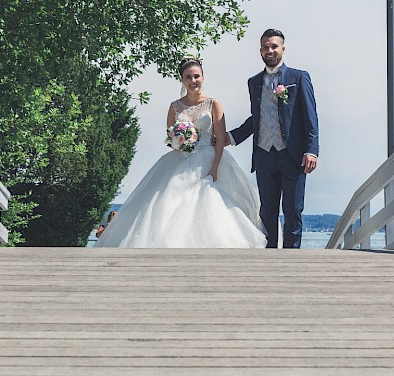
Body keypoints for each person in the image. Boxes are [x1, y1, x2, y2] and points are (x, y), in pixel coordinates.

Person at [94, 58, 266, 248]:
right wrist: (180, 141)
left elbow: (219, 140)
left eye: (196, 76)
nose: (193, 80)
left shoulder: (213, 104)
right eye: (188, 77)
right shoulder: (175, 106)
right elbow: (171, 138)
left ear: (203, 77)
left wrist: (215, 167)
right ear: (182, 80)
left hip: (209, 159)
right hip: (180, 160)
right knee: (169, 203)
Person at [228, 29, 319, 248]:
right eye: (265, 47)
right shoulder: (254, 82)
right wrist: (230, 137)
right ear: (260, 51)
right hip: (264, 155)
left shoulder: (298, 77)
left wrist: (311, 150)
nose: (270, 50)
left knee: (293, 209)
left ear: (283, 49)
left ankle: (291, 258)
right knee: (267, 210)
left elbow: (310, 116)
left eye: (274, 46)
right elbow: (257, 118)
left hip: (293, 155)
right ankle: (268, 258)